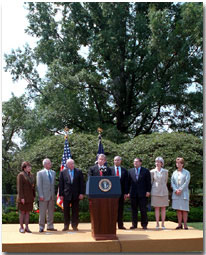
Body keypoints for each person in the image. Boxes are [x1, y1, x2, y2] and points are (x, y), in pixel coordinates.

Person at [59, 158, 84, 231]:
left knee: (75, 211)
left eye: (73, 163)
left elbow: (82, 183)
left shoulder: (78, 171)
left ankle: (75, 225)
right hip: (66, 194)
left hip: (76, 195)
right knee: (66, 211)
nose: (72, 165)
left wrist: (81, 193)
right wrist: (61, 194)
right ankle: (66, 226)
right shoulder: (63, 172)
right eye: (70, 164)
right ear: (67, 165)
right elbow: (61, 184)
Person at [128, 158, 151, 230]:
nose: (135, 163)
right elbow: (128, 183)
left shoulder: (146, 171)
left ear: (140, 163)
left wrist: (148, 191)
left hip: (143, 193)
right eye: (134, 162)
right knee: (133, 210)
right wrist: (128, 192)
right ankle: (134, 224)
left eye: (137, 162)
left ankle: (144, 224)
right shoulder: (130, 171)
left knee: (143, 209)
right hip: (133, 193)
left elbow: (148, 182)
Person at [37, 158, 57, 232]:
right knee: (42, 212)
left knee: (51, 212)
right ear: (45, 164)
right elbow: (39, 185)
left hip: (51, 195)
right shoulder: (40, 173)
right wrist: (41, 195)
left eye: (50, 163)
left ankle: (50, 226)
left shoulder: (53, 173)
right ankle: (41, 226)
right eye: (49, 163)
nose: (50, 164)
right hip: (43, 196)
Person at [171, 157, 190, 230]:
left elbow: (186, 182)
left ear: (182, 164)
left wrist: (180, 189)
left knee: (184, 209)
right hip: (176, 193)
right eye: (176, 163)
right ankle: (179, 224)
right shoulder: (174, 173)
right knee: (178, 209)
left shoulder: (186, 172)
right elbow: (172, 182)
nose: (177, 164)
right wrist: (176, 190)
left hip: (184, 193)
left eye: (179, 163)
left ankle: (185, 224)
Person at [16, 161, 35, 233]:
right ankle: (21, 227)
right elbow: (19, 187)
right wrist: (21, 198)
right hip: (23, 197)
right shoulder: (21, 175)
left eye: (30, 166)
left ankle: (27, 227)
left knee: (28, 212)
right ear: (24, 168)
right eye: (28, 167)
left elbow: (33, 186)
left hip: (30, 197)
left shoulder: (31, 175)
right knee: (22, 212)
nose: (30, 168)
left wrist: (33, 196)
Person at [150, 157, 169, 230]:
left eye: (158, 162)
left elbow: (166, 181)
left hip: (164, 191)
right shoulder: (152, 171)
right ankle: (157, 223)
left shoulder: (165, 171)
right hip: (155, 191)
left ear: (162, 163)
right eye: (156, 162)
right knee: (156, 208)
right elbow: (151, 182)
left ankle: (163, 224)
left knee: (163, 207)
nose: (157, 163)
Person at [110, 156, 128, 230]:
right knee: (112, 209)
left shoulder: (124, 170)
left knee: (120, 209)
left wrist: (126, 193)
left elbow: (126, 183)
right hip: (111, 193)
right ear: (113, 161)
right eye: (115, 160)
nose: (116, 161)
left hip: (121, 193)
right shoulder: (109, 170)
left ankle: (120, 225)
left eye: (118, 160)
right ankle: (112, 225)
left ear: (120, 161)